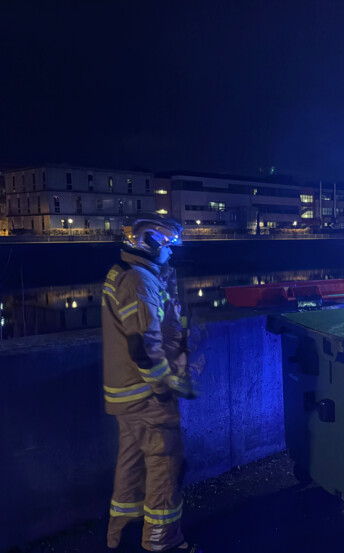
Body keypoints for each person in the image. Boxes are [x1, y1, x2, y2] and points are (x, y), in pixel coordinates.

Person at [102, 214, 200, 552]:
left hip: (127, 394)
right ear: (151, 243)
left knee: (131, 465)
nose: (171, 253)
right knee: (164, 465)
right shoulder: (139, 281)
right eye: (168, 246)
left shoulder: (128, 274)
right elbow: (144, 347)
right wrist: (162, 388)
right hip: (146, 396)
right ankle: (163, 541)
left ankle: (124, 534)